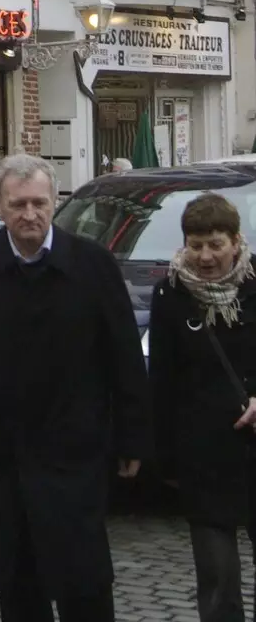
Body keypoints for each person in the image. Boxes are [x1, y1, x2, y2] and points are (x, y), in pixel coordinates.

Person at [0, 152, 149, 622]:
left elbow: (124, 355)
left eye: (38, 203)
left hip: (75, 450)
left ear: (55, 202)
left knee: (85, 581)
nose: (29, 215)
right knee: (18, 581)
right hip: (1, 452)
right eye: (18, 205)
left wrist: (131, 434)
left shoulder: (92, 266)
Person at [148, 192, 256, 622]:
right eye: (195, 245)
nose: (205, 256)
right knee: (218, 578)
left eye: (215, 244)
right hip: (204, 456)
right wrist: (163, 456)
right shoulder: (171, 293)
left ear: (235, 240)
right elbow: (163, 380)